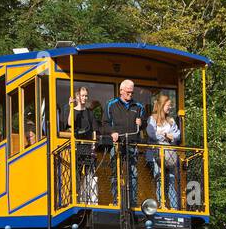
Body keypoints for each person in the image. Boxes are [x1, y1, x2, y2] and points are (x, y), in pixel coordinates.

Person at [105, 79, 144, 208]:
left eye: (132, 92)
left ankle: (132, 201)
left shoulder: (138, 106)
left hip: (132, 144)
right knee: (115, 173)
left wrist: (141, 123)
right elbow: (104, 123)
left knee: (133, 174)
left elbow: (146, 124)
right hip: (117, 145)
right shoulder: (111, 104)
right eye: (128, 92)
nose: (130, 94)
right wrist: (112, 132)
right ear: (121, 90)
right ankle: (116, 200)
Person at [145, 93, 182, 209]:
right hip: (155, 155)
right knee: (159, 178)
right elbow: (152, 134)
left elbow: (177, 135)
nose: (170, 108)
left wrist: (165, 135)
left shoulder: (170, 121)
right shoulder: (152, 119)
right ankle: (162, 204)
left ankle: (174, 207)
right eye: (168, 105)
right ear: (161, 105)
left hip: (169, 155)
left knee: (171, 180)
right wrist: (167, 136)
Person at [66, 86, 98, 202]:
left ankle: (90, 199)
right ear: (77, 96)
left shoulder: (90, 112)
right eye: (82, 95)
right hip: (77, 146)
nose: (84, 98)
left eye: (86, 96)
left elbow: (94, 130)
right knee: (77, 174)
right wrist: (71, 106)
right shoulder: (73, 110)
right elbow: (70, 123)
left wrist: (93, 147)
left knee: (90, 173)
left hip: (88, 146)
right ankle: (76, 198)